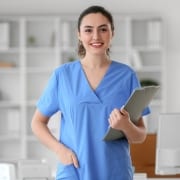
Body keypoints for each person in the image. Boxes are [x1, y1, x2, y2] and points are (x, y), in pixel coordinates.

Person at [31, 5, 150, 180]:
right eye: (88, 30)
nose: (96, 36)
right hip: (73, 171)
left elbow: (140, 134)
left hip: (114, 172)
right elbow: (37, 123)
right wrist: (59, 150)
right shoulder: (62, 76)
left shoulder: (126, 75)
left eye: (103, 29)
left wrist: (126, 126)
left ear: (112, 33)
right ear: (79, 34)